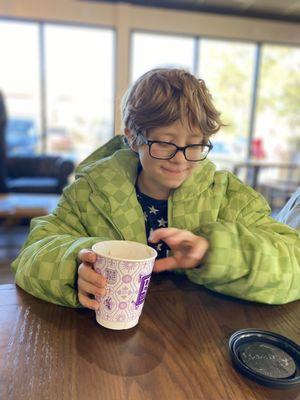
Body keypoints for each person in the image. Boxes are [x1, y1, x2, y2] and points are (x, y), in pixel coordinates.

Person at [12, 68, 300, 309]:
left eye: (195, 144)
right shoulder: (89, 194)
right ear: (133, 138)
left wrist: (217, 251)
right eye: (164, 142)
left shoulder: (229, 198)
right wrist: (74, 268)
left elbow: (293, 264)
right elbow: (32, 253)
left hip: (201, 343)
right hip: (102, 341)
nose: (180, 158)